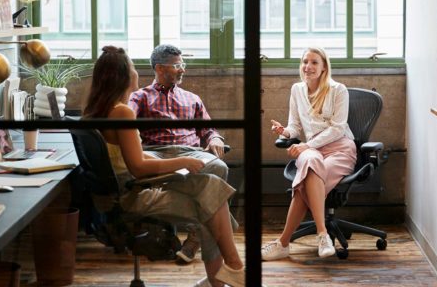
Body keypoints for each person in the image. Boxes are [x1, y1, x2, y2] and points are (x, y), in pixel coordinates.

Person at [83, 46, 244, 287]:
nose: (137, 72)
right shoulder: (125, 111)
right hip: (134, 194)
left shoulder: (97, 111)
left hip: (127, 189)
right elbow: (137, 166)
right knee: (211, 203)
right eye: (133, 68)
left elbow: (133, 159)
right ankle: (232, 271)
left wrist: (184, 161)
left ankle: (227, 273)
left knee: (212, 186)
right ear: (124, 76)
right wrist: (181, 162)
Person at [129, 44, 230, 263]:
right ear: (159, 68)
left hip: (191, 152)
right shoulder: (140, 97)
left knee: (219, 167)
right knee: (200, 179)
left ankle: (195, 237)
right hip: (155, 153)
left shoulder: (192, 98)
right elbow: (125, 126)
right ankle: (206, 234)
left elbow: (209, 128)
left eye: (182, 64)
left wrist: (214, 138)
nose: (182, 69)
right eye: (177, 65)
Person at [261, 47, 357, 261]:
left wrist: (308, 144)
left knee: (305, 180)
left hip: (340, 148)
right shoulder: (296, 90)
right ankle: (323, 235)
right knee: (310, 163)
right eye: (305, 61)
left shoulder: (338, 90)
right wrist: (285, 131)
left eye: (314, 62)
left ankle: (283, 244)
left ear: (324, 67)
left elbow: (338, 128)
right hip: (311, 150)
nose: (308, 67)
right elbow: (295, 125)